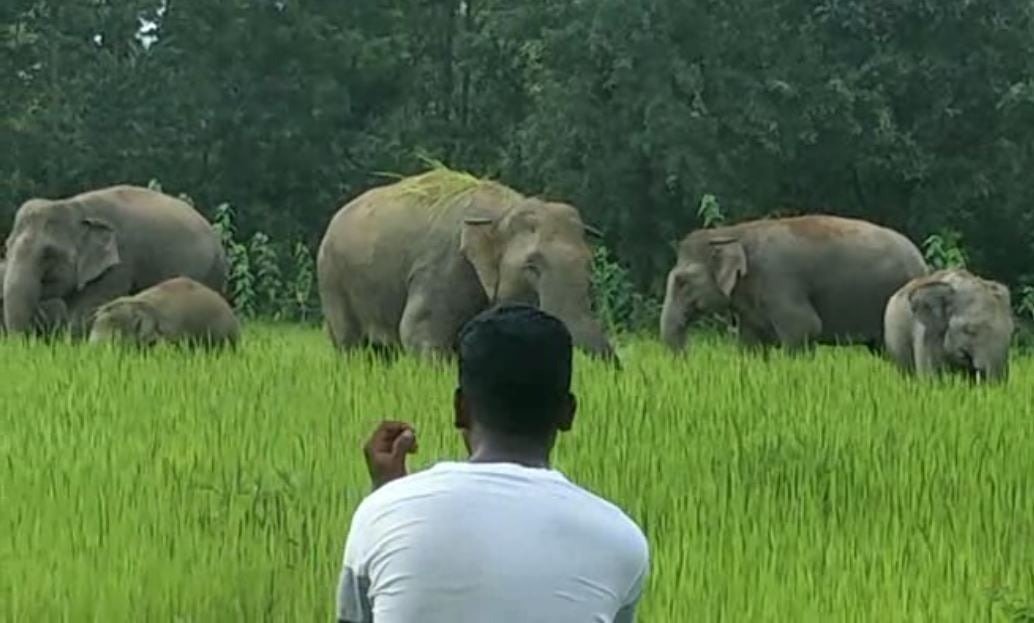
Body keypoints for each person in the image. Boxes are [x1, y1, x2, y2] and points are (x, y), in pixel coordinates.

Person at [335, 304, 650, 623]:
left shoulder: (380, 513)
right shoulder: (621, 541)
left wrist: (387, 495)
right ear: (568, 413)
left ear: (460, 409)